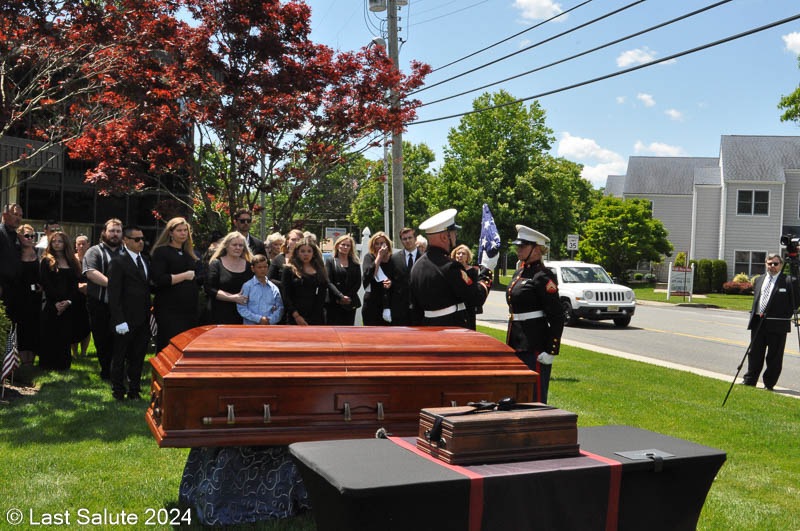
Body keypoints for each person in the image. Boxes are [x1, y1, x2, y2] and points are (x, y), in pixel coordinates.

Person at [506, 225, 564, 404]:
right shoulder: (520, 272)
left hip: (535, 345)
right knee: (517, 394)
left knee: (534, 397)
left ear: (537, 249)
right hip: (516, 342)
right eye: (518, 246)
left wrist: (551, 350)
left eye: (523, 246)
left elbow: (557, 315)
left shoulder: (542, 276)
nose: (518, 249)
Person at [410, 209, 492, 328]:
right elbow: (476, 298)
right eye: (453, 232)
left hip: (426, 327)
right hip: (451, 329)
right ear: (444, 236)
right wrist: (486, 271)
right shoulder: (451, 266)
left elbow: (415, 308)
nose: (455, 235)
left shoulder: (416, 266)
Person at [107, 226, 152, 401]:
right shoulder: (118, 262)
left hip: (143, 318)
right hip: (125, 319)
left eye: (142, 239)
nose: (141, 242)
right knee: (120, 356)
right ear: (125, 240)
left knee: (138, 356)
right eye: (136, 239)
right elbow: (114, 294)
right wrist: (119, 320)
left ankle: (134, 389)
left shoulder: (145, 260)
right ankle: (118, 390)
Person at [743, 253, 800, 390]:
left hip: (777, 324)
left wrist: (785, 314)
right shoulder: (759, 280)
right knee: (754, 354)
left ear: (781, 265)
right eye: (769, 263)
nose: (772, 266)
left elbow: (796, 302)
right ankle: (750, 380)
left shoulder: (789, 281)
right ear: (765, 264)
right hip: (758, 322)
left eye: (775, 264)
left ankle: (769, 384)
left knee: (774, 357)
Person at [150, 217, 204, 351]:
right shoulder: (161, 252)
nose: (183, 233)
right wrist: (184, 276)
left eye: (185, 230)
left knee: (186, 345)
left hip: (189, 308)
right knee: (168, 344)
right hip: (169, 308)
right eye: (179, 230)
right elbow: (159, 279)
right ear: (170, 232)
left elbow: (199, 277)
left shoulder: (191, 254)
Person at [83, 218, 125, 380]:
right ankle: (106, 370)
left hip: (122, 304)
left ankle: (118, 370)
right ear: (104, 233)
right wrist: (114, 285)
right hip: (99, 303)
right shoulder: (94, 251)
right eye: (112, 231)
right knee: (102, 338)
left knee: (121, 338)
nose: (115, 234)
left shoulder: (127, 252)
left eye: (118, 231)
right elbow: (91, 272)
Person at [38, 231, 81, 370]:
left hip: (68, 305)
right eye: (54, 241)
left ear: (65, 243)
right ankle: (47, 365)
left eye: (60, 241)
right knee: (50, 334)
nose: (56, 244)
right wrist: (56, 302)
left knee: (65, 334)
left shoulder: (72, 261)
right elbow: (46, 283)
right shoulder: (46, 261)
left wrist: (68, 301)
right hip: (52, 304)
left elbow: (75, 285)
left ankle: (63, 365)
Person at [281, 238, 349, 325]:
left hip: (316, 316)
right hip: (295, 316)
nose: (306, 254)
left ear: (313, 254)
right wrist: (296, 316)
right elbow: (285, 295)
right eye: (302, 251)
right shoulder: (289, 270)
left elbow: (323, 293)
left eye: (309, 251)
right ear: (297, 253)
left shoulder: (320, 270)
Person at [205, 232, 254, 324]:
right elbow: (210, 289)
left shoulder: (249, 266)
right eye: (234, 245)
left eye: (240, 245)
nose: (238, 248)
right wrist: (232, 298)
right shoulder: (216, 264)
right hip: (219, 313)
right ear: (226, 246)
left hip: (244, 315)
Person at [13, 224, 41, 366]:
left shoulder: (39, 252)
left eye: (32, 236)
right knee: (22, 327)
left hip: (36, 297)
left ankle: (32, 359)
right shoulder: (14, 253)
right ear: (19, 236)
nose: (30, 238)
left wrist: (42, 286)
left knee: (34, 326)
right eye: (27, 236)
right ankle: (23, 361)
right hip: (19, 297)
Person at [324, 234, 361, 326]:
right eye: (343, 244)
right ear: (337, 246)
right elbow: (328, 281)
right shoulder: (330, 261)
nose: (345, 247)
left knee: (348, 329)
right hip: (333, 302)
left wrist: (347, 297)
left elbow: (357, 282)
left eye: (348, 245)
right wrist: (340, 296)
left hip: (350, 302)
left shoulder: (355, 263)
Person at [238, 255, 284, 325]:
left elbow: (280, 308)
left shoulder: (274, 288)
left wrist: (270, 320)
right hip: (251, 327)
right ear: (253, 269)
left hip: (269, 326)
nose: (263, 269)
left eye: (265, 267)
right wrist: (259, 319)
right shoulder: (247, 286)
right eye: (259, 267)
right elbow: (242, 308)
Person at [389, 227, 422, 326]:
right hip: (399, 309)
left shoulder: (424, 258)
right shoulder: (394, 258)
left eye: (410, 238)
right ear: (401, 241)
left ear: (415, 238)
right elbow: (390, 282)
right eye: (404, 239)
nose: (407, 241)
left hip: (420, 308)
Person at [361, 231, 394, 326]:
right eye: (377, 244)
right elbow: (370, 275)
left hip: (388, 302)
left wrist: (391, 283)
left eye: (382, 243)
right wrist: (379, 256)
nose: (379, 246)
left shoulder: (393, 259)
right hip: (372, 302)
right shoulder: (369, 257)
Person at [0, 203, 23, 311]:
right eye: (15, 214)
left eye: (21, 215)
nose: (18, 218)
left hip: (15, 292)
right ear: (5, 215)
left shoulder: (18, 237)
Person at [451, 244, 480, 330]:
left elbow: (473, 289)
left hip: (468, 306)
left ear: (467, 257)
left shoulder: (473, 271)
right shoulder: (451, 269)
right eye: (458, 253)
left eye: (463, 254)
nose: (460, 255)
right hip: (454, 306)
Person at [71, 234, 91, 357]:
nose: (81, 246)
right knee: (74, 324)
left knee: (87, 325)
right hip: (74, 295)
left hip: (89, 295)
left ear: (88, 245)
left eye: (84, 243)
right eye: (79, 244)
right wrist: (77, 286)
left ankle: (84, 352)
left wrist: (88, 287)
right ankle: (74, 352)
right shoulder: (71, 259)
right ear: (75, 246)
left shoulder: (92, 259)